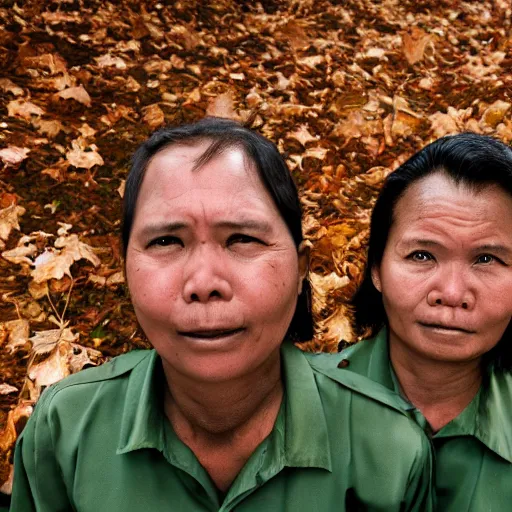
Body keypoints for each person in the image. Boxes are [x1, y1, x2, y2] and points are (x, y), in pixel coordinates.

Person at [10, 117, 433, 511]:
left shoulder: (391, 447)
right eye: (166, 242)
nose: (204, 282)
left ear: (301, 266)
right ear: (124, 266)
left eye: (242, 239)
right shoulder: (65, 430)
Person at [338, 132, 512, 511]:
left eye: (486, 259)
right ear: (376, 269)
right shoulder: (283, 407)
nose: (451, 293)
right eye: (421, 255)